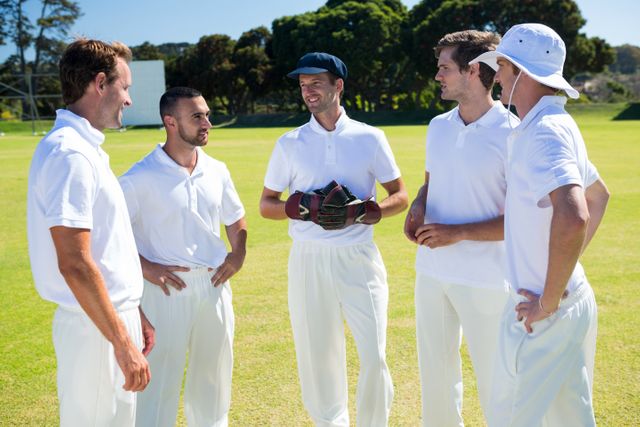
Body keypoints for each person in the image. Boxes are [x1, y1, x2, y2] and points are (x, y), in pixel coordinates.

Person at [469, 23, 610, 426]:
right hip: (567, 300)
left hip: (543, 314)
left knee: (509, 417)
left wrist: (548, 298)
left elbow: (576, 213)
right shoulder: (555, 122)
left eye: (501, 66)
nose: (496, 76)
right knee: (570, 417)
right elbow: (599, 195)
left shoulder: (543, 132)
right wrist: (560, 274)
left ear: (523, 73)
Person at [259, 52, 408, 426]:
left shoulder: (370, 137)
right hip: (308, 258)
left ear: (338, 86)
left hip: (359, 256)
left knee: (373, 352)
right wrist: (300, 207)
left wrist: (361, 211)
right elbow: (266, 205)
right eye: (303, 85)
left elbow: (401, 196)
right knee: (318, 353)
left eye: (316, 83)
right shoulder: (289, 143)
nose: (308, 91)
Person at [26, 39, 153, 426]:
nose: (128, 99)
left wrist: (135, 310)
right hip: (95, 328)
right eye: (125, 87)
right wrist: (121, 341)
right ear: (100, 83)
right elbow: (75, 263)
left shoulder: (86, 149)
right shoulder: (71, 154)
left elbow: (105, 249)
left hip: (109, 317)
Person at [403, 30, 517, 426]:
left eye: (444, 68)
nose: (438, 76)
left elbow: (521, 221)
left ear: (472, 71)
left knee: (496, 381)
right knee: (435, 379)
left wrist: (457, 233)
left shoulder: (513, 133)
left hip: (487, 279)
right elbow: (430, 182)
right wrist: (418, 206)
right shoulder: (438, 126)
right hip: (431, 273)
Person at [119, 87, 247, 427]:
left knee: (214, 378)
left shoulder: (217, 169)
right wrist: (146, 267)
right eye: (197, 116)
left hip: (215, 285)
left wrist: (237, 255)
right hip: (165, 291)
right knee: (158, 381)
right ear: (170, 121)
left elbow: (235, 219)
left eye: (206, 114)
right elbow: (110, 235)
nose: (207, 122)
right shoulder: (138, 177)